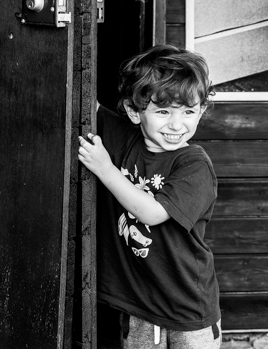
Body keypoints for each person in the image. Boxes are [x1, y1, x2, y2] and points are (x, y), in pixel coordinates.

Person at [79, 45, 221, 349]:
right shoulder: (124, 139)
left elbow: (153, 213)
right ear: (135, 112)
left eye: (188, 112)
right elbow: (84, 100)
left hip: (187, 308)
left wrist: (105, 168)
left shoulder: (194, 165)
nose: (177, 124)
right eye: (163, 111)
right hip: (139, 304)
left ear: (201, 111)